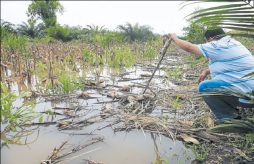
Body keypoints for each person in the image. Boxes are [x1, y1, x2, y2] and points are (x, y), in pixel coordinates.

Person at [168, 29, 254, 121]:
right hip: (250, 92)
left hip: (247, 97)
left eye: (207, 42)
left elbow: (189, 47)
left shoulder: (218, 45)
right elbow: (233, 64)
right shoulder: (235, 44)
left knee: (205, 87)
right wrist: (207, 71)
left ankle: (230, 119)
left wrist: (174, 38)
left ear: (211, 39)